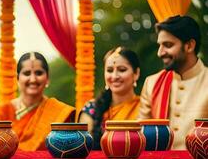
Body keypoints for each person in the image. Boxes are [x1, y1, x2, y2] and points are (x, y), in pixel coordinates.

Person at [138, 15, 208, 150]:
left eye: (168, 45)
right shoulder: (152, 83)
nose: (160, 53)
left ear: (189, 46)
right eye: (160, 45)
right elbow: (141, 136)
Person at [0, 52, 75, 151]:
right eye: (26, 73)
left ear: (47, 79)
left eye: (38, 73)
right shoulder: (4, 111)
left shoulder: (59, 111)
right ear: (17, 79)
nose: (33, 79)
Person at [79, 46, 140, 149]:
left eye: (122, 70)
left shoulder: (146, 106)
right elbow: (82, 147)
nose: (115, 76)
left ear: (136, 73)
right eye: (110, 70)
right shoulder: (92, 108)